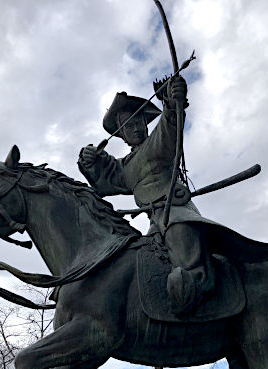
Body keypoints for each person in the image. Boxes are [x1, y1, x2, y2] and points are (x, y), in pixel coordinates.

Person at [78, 76, 214, 314]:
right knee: (145, 256)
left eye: (140, 122)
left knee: (179, 233)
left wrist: (171, 101)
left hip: (177, 212)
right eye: (130, 126)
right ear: (121, 134)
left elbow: (170, 126)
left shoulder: (157, 143)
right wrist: (89, 159)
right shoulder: (126, 166)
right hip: (154, 221)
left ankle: (195, 288)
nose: (138, 128)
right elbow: (107, 176)